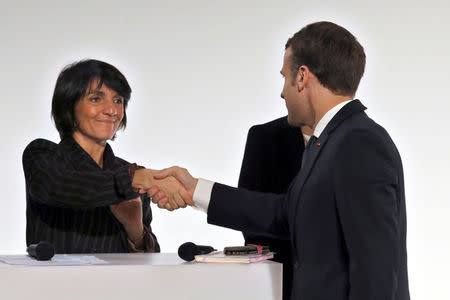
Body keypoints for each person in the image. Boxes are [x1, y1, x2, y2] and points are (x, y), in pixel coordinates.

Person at [147, 21, 410, 299]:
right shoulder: (329, 142)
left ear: (302, 77)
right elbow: (284, 213)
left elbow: (377, 271)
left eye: (285, 77)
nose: (283, 91)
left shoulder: (359, 143)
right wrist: (194, 190)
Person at [23, 59, 184, 253]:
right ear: (68, 106)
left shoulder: (131, 175)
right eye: (95, 98)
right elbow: (64, 186)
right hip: (57, 282)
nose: (111, 110)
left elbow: (149, 260)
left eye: (118, 100)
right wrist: (136, 179)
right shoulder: (42, 154)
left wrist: (135, 229)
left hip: (119, 283)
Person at [238, 117, 310, 300]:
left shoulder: (354, 139)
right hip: (279, 282)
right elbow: (249, 216)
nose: (282, 94)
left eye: (288, 85)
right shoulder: (265, 136)